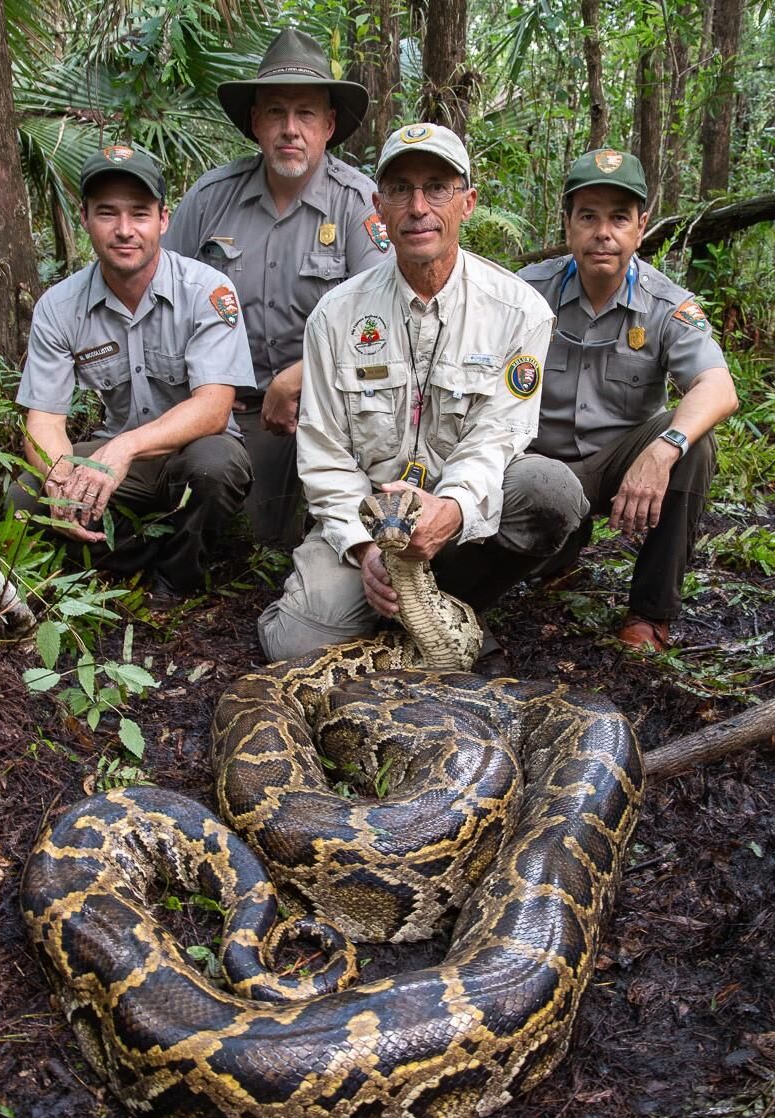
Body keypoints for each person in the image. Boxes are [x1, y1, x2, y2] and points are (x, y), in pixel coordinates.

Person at [257, 123, 589, 666]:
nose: (418, 207)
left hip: (460, 522)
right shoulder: (335, 317)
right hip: (366, 523)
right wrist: (365, 550)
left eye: (437, 187)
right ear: (377, 207)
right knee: (295, 647)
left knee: (549, 490)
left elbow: (498, 436)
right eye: (400, 190)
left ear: (468, 203)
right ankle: (398, 609)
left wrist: (452, 510)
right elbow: (323, 454)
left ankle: (454, 603)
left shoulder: (518, 311)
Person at [164, 29, 394, 546]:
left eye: (306, 113)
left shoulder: (358, 205)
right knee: (220, 515)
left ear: (329, 125)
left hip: (324, 413)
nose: (290, 129)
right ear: (255, 122)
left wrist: (297, 376)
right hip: (226, 412)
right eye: (275, 112)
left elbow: (381, 327)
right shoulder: (209, 199)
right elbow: (166, 302)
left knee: (308, 535)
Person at [10, 145, 256, 607]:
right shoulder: (59, 307)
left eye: (139, 214)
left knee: (215, 466)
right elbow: (43, 421)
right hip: (120, 463)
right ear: (85, 218)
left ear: (163, 219)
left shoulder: (207, 290)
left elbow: (213, 408)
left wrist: (122, 449)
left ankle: (175, 583)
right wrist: (62, 479)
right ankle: (114, 566)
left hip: (190, 452)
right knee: (26, 490)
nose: (124, 230)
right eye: (107, 213)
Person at [518, 148, 738, 651]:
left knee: (692, 444)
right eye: (588, 216)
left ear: (641, 227)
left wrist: (664, 450)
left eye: (619, 218)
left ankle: (649, 615)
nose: (603, 233)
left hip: (622, 466)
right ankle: (556, 555)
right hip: (534, 464)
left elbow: (719, 387)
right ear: (569, 224)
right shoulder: (525, 294)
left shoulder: (666, 306)